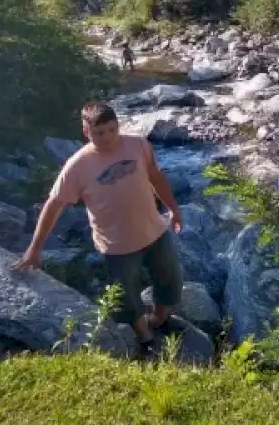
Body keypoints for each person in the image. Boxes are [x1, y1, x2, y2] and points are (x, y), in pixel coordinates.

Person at [12, 102, 184, 353]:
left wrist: (174, 210)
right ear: (86, 132)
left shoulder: (137, 145)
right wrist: (34, 248)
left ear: (118, 126)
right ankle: (145, 339)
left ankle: (158, 320)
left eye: (112, 130)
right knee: (127, 296)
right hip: (117, 245)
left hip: (155, 232)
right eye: (99, 133)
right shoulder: (78, 166)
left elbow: (155, 176)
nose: (107, 138)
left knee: (170, 281)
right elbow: (54, 205)